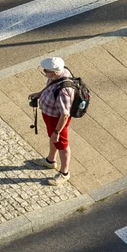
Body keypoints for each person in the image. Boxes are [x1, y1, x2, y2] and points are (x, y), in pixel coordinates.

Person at [28, 57, 75, 185]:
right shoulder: (59, 73)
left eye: (45, 70)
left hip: (57, 120)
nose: (44, 71)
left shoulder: (64, 91)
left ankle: (64, 173)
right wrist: (40, 93)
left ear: (54, 72)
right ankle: (50, 161)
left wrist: (57, 131)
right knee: (52, 138)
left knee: (62, 144)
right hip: (50, 116)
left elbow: (65, 114)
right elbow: (50, 84)